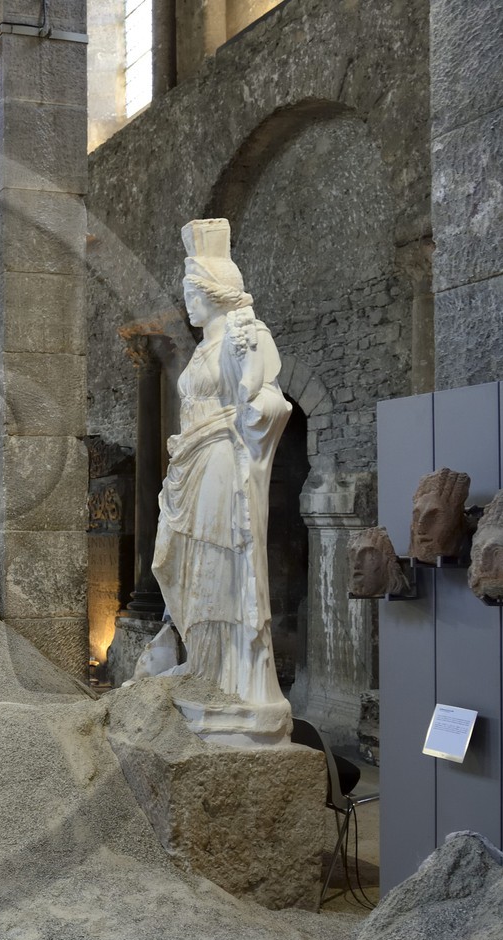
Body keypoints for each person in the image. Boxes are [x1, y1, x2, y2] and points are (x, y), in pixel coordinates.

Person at [152, 219, 291, 735]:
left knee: (220, 565)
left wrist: (253, 416)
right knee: (184, 562)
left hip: (221, 465)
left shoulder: (245, 336)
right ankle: (203, 665)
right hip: (191, 464)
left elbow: (270, 400)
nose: (188, 303)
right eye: (186, 292)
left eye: (193, 292)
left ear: (214, 292)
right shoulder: (202, 348)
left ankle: (232, 679)